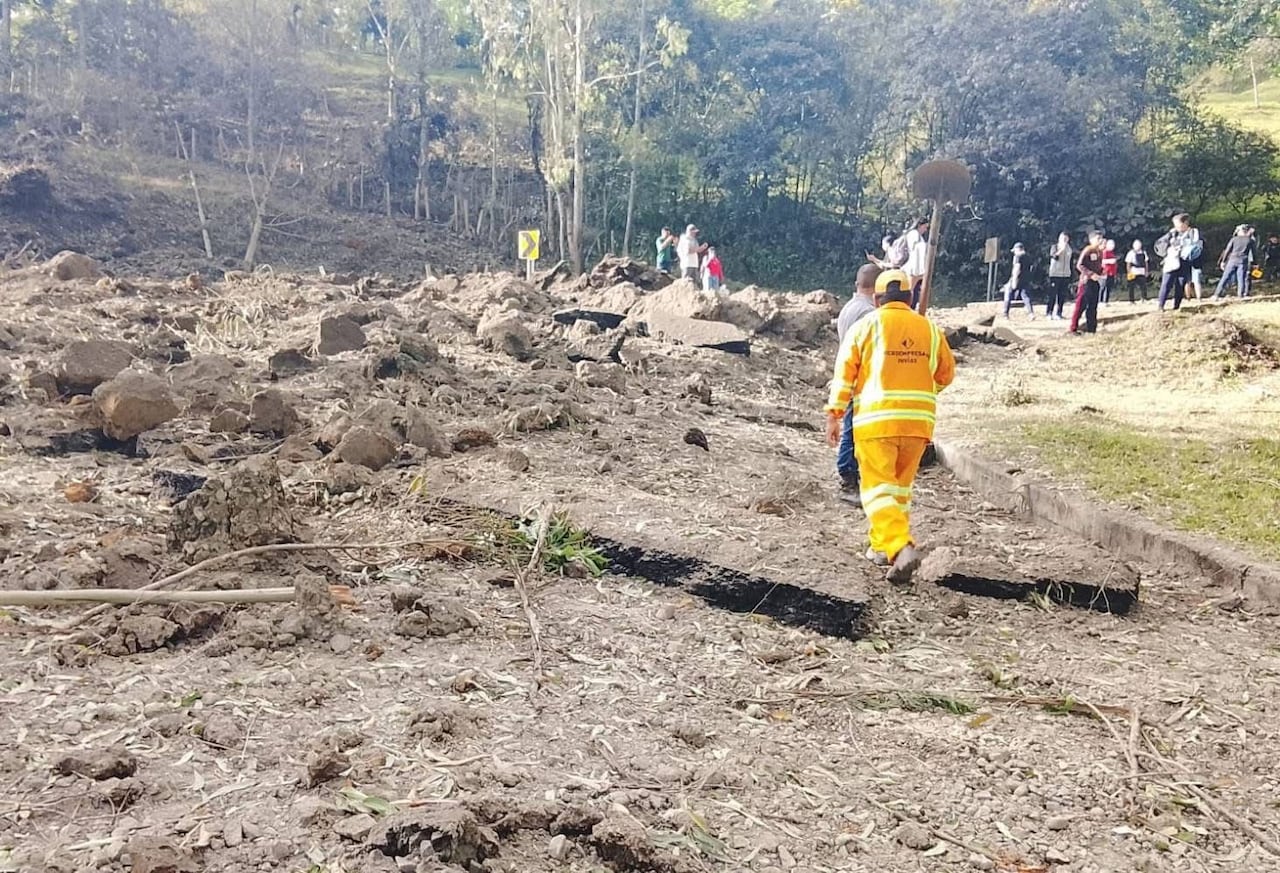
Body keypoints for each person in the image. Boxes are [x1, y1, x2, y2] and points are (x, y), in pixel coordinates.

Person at [825, 268, 956, 584]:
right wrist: (922, 392)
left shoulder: (866, 326)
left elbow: (845, 374)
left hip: (876, 423)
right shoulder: (930, 330)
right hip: (917, 426)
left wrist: (834, 413)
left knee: (876, 490)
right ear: (910, 298)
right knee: (898, 490)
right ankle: (880, 547)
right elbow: (946, 374)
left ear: (877, 298)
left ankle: (899, 546)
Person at [833, 264, 882, 497]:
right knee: (853, 428)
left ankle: (850, 473)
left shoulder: (849, 308)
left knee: (852, 426)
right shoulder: (869, 314)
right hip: (861, 376)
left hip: (849, 373)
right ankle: (848, 476)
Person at [1155, 213, 1197, 312]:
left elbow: (1196, 245)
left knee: (1180, 285)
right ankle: (1160, 306)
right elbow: (1161, 243)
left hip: (1184, 263)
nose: (1176, 227)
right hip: (1171, 262)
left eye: (1178, 225)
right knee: (1166, 284)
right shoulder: (1172, 233)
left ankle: (1176, 307)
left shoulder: (1193, 233)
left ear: (1185, 223)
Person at [1214, 224, 1256, 300]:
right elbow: (1254, 252)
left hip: (1232, 259)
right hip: (1243, 260)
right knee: (1241, 278)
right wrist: (1255, 263)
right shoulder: (1250, 240)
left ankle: (1217, 294)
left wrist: (1223, 261)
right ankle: (1240, 295)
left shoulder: (1234, 239)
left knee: (1225, 277)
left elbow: (1227, 250)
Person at [1002, 242, 1035, 319]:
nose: (1014, 253)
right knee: (1026, 297)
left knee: (1008, 293)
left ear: (1017, 249)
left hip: (1017, 278)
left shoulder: (1017, 256)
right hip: (1025, 279)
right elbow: (1031, 268)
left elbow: (1017, 268)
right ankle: (1031, 313)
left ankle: (1005, 313)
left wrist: (1014, 280)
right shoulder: (1028, 257)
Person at [904, 218, 930, 309]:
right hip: (915, 265)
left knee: (913, 289)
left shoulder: (916, 235)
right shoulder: (913, 234)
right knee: (910, 289)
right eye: (925, 227)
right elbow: (916, 250)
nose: (925, 230)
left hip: (917, 265)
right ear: (920, 225)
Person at [1046, 232, 1073, 320]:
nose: (1065, 240)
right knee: (1052, 294)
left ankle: (1059, 313)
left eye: (1066, 238)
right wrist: (1061, 250)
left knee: (1062, 295)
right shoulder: (1055, 247)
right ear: (1059, 239)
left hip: (1065, 275)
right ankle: (1049, 312)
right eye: (1063, 238)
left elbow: (1071, 262)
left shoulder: (1070, 249)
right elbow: (1054, 256)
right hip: (1055, 274)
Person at [1100, 239, 1119, 305]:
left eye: (1113, 244)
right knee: (1103, 287)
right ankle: (1100, 301)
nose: (1112, 246)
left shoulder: (1112, 252)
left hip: (1111, 272)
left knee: (1108, 287)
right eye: (1111, 244)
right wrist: (1111, 261)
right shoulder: (1104, 252)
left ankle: (1106, 301)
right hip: (1105, 272)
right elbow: (1102, 261)